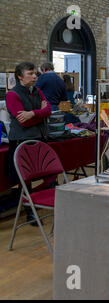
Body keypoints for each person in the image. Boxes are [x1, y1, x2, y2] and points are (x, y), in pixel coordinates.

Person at [5, 62, 52, 226]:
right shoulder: (12, 95)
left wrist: (32, 113)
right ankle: (29, 212)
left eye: (35, 74)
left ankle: (38, 204)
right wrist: (41, 113)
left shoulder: (37, 91)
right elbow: (23, 122)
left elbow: (49, 111)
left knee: (46, 173)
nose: (34, 76)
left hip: (38, 139)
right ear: (20, 76)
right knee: (24, 180)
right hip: (21, 141)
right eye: (30, 73)